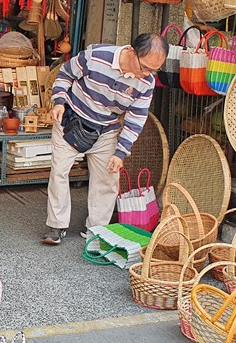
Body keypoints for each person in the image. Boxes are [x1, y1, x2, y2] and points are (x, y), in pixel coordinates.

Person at [42, 33, 167, 245]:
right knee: (59, 173)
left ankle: (96, 229)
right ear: (131, 51)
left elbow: (136, 120)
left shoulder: (146, 83)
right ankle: (56, 225)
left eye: (153, 70)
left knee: (108, 178)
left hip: (106, 129)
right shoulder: (96, 56)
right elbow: (65, 75)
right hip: (70, 119)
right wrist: (59, 102)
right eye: (144, 67)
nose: (147, 74)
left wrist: (121, 152)